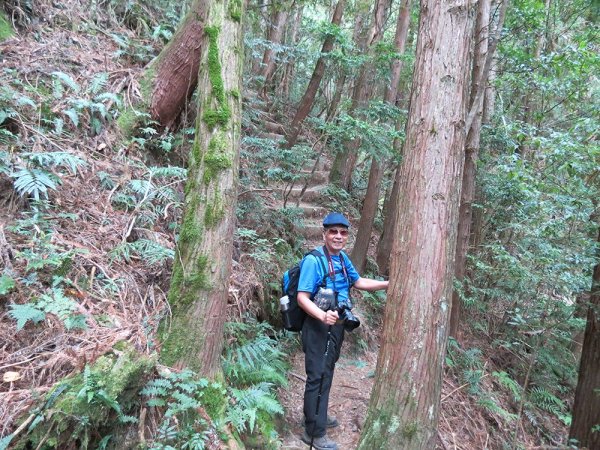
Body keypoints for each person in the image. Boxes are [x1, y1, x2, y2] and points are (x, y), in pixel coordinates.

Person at [297, 212, 389, 450]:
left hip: (336, 326)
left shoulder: (342, 259)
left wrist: (389, 283)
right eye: (333, 231)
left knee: (326, 372)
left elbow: (358, 282)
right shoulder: (313, 261)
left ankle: (317, 415)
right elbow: (302, 298)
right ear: (324, 233)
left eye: (343, 232)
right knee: (317, 375)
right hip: (318, 325)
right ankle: (314, 433)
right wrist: (321, 315)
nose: (338, 236)